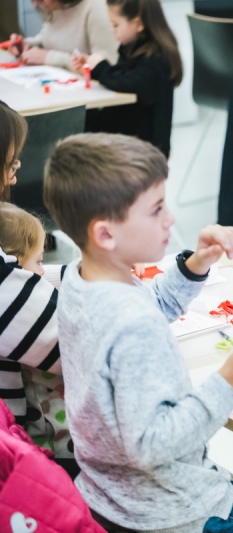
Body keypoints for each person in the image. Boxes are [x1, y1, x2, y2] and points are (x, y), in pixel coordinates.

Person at [43, 132, 233, 532]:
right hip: (171, 507)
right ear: (106, 234)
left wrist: (196, 264)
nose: (172, 219)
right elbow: (152, 444)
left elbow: (151, 306)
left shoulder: (82, 280)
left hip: (107, 492)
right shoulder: (131, 323)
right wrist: (228, 381)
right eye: (157, 210)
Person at [0, 101, 80, 478]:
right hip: (15, 457)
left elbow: (20, 282)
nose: (14, 178)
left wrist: (78, 276)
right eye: (11, 164)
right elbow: (80, 349)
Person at [71, 0, 182, 157]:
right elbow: (121, 75)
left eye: (116, 25)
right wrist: (92, 68)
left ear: (138, 24)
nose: (112, 30)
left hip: (143, 151)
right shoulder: (133, 47)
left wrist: (101, 68)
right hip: (128, 138)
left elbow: (129, 82)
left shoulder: (157, 59)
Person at [8, 0, 117, 69]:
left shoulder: (96, 7)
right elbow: (49, 38)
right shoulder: (55, 5)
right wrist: (28, 45)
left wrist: (48, 57)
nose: (36, 3)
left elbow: (106, 64)